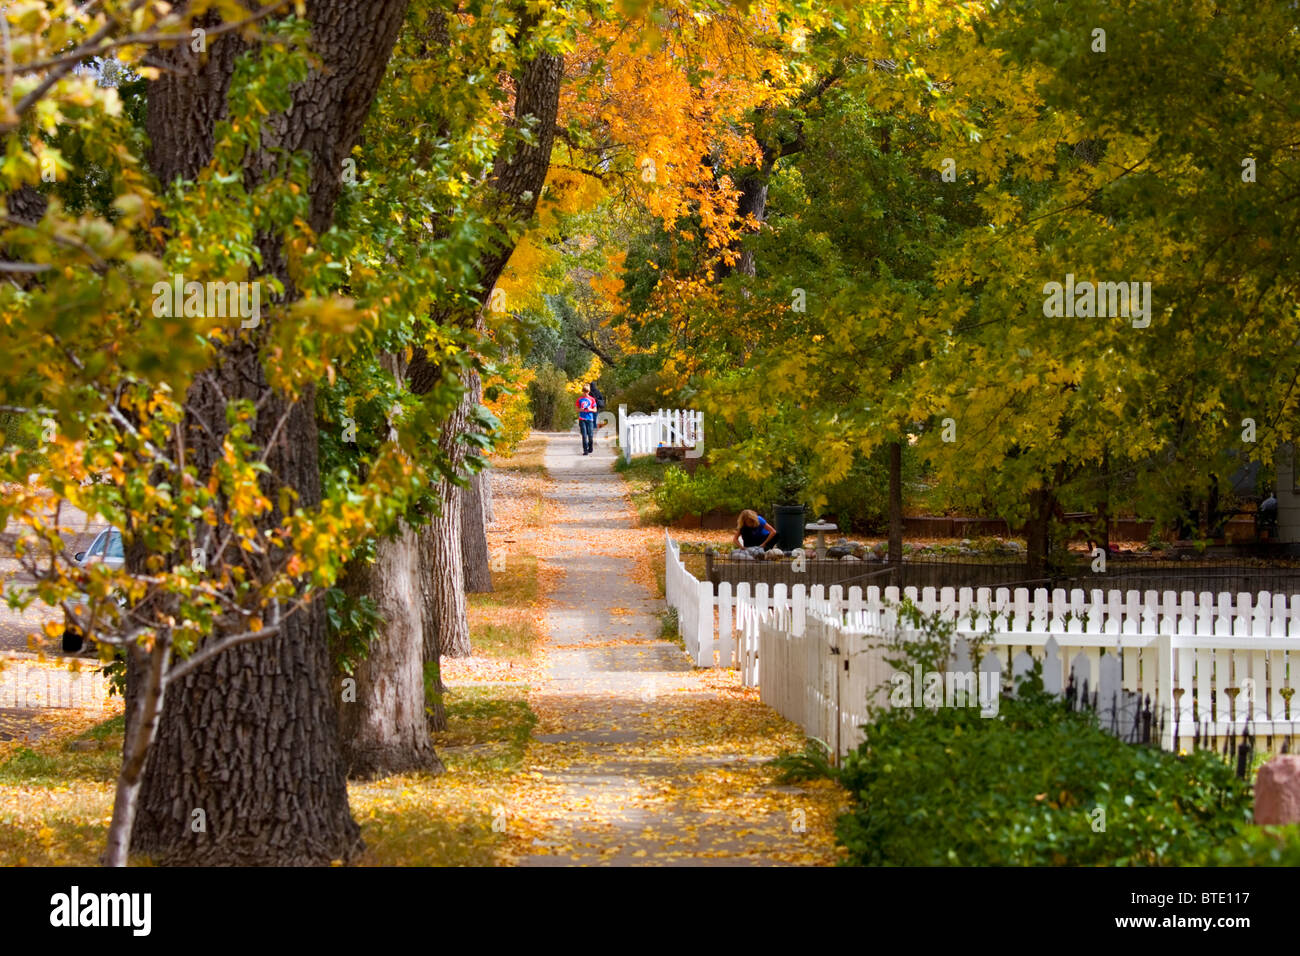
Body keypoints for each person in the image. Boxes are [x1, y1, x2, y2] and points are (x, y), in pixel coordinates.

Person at [576, 385, 597, 455]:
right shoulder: (579, 399)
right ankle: (585, 450)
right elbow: (576, 409)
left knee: (590, 435)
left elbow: (595, 410)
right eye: (584, 392)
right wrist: (582, 409)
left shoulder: (592, 399)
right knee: (584, 435)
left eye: (587, 392)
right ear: (582, 392)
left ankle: (590, 447)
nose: (585, 393)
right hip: (582, 419)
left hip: (590, 419)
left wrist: (590, 409)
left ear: (589, 391)